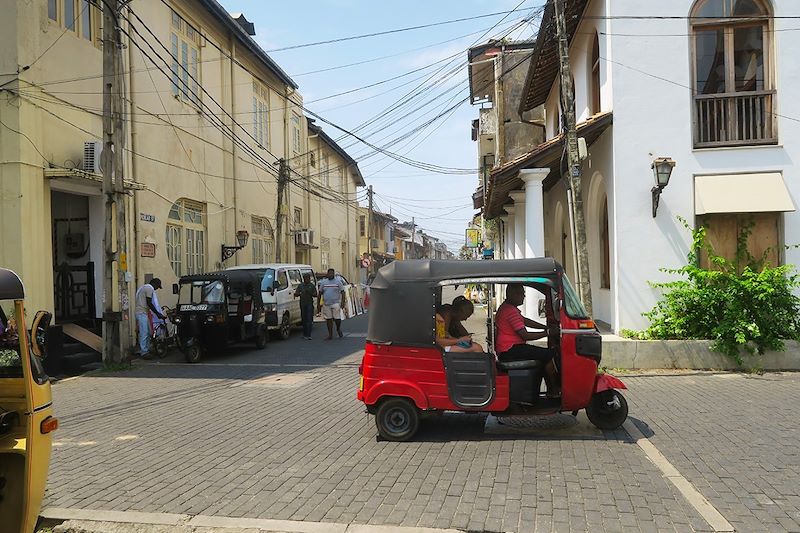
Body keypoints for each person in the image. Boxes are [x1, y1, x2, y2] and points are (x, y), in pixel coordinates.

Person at [495, 284, 560, 397]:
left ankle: (550, 390)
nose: (524, 296)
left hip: (509, 348)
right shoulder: (510, 311)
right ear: (511, 294)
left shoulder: (507, 308)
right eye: (521, 293)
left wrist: (545, 327)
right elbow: (525, 335)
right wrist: (548, 333)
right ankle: (554, 390)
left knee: (545, 354)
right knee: (550, 354)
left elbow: (525, 321)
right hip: (511, 350)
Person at [135, 278, 165, 358]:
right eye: (157, 287)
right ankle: (144, 352)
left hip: (142, 312)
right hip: (142, 312)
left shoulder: (143, 287)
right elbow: (150, 303)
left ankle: (146, 349)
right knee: (144, 332)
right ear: (154, 283)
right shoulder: (149, 288)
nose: (156, 289)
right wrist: (158, 313)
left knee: (148, 332)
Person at [317, 268, 346, 340]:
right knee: (328, 319)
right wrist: (318, 304)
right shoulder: (324, 282)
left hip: (336, 303)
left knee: (337, 319)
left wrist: (342, 302)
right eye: (329, 273)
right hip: (326, 303)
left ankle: (338, 328)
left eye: (332, 273)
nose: (330, 275)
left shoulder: (338, 282)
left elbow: (343, 292)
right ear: (327, 274)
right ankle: (330, 334)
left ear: (334, 274)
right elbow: (320, 293)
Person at [295, 273, 318, 340]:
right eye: (305, 278)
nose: (307, 279)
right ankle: (304, 334)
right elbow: (296, 293)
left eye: (308, 278)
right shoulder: (301, 286)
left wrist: (310, 293)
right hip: (302, 303)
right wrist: (299, 293)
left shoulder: (312, 285)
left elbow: (315, 294)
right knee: (304, 319)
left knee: (309, 319)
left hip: (309, 304)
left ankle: (308, 334)